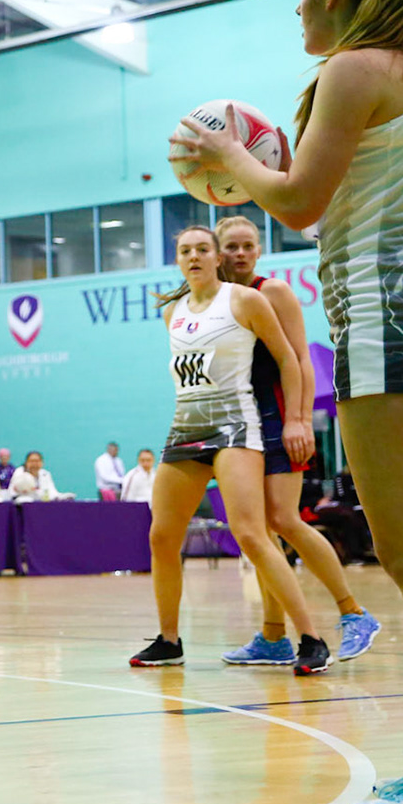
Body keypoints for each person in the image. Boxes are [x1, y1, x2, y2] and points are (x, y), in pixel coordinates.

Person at [172, 0, 403, 804]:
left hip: (390, 311)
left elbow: (298, 201)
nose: (297, 8)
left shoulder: (360, 66)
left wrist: (222, 154)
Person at [131, 225, 331, 679]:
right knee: (162, 535)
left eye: (203, 249)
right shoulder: (174, 311)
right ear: (178, 260)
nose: (195, 256)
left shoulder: (245, 300)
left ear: (218, 256)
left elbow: (288, 359)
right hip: (186, 427)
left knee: (251, 533)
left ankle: (311, 638)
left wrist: (298, 418)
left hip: (236, 426)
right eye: (186, 251)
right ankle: (169, 641)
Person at [212, 216, 381, 669]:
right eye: (232, 246)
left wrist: (300, 420)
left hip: (277, 417)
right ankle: (272, 637)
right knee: (261, 533)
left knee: (286, 520)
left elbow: (302, 361)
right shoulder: (220, 299)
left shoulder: (274, 292)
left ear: (260, 250)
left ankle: (354, 612)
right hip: (239, 422)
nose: (241, 253)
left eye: (249, 245)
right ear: (218, 251)